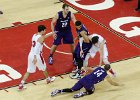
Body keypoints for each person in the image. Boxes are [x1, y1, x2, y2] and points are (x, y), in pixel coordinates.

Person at [51, 64, 123, 98]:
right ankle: (82, 93)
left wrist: (83, 69)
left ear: (104, 67)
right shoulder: (106, 75)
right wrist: (120, 84)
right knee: (92, 91)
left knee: (72, 89)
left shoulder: (97, 68)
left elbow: (88, 68)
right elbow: (112, 83)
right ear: (108, 69)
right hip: (89, 83)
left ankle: (59, 91)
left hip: (84, 79)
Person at [18, 25, 56, 90]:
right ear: (43, 30)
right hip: (37, 55)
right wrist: (35, 57)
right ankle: (48, 79)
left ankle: (21, 84)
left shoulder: (34, 35)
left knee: (28, 71)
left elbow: (44, 36)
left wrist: (53, 32)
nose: (45, 31)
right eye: (45, 30)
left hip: (30, 55)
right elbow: (36, 48)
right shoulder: (41, 38)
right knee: (44, 68)